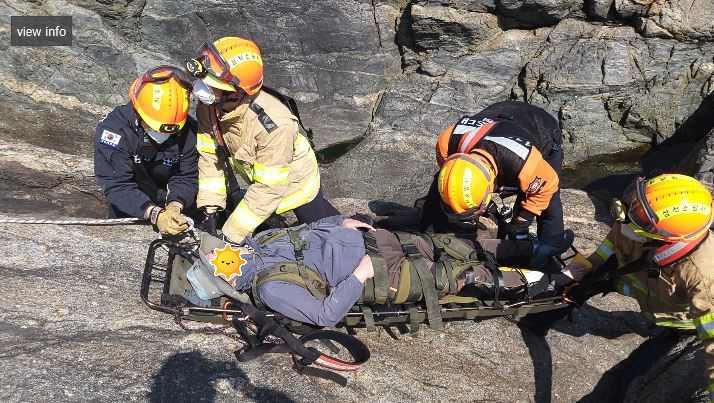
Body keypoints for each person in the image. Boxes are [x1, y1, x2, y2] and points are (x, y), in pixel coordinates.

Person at [190, 215, 578, 327]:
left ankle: (535, 251)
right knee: (461, 276)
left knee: (458, 245)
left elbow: (305, 231)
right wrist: (358, 276)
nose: (230, 250)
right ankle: (543, 281)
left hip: (379, 242)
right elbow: (326, 316)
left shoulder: (261, 242)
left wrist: (343, 222)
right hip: (378, 274)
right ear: (227, 278)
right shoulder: (271, 289)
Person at [565, 174, 714, 398]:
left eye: (635, 216)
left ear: (662, 238)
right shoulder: (632, 221)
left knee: (630, 381)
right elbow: (605, 250)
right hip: (643, 297)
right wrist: (578, 274)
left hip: (681, 324)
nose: (620, 219)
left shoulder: (701, 275)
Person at [186, 36, 339, 244]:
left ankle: (358, 233)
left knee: (329, 235)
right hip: (262, 180)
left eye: (212, 85)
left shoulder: (274, 124)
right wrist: (210, 208)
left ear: (237, 93)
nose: (201, 89)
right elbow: (210, 156)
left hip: (296, 182)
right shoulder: (210, 105)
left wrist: (230, 234)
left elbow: (269, 189)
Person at [420, 100, 564, 240]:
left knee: (548, 206)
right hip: (500, 111)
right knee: (445, 183)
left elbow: (547, 187)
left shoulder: (525, 164)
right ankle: (428, 228)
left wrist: (521, 222)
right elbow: (450, 173)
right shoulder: (447, 142)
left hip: (540, 126)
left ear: (491, 187)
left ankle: (551, 250)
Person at [93, 66, 198, 235]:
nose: (164, 134)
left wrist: (176, 205)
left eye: (171, 131)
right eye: (156, 127)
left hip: (172, 202)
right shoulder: (113, 130)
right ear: (139, 112)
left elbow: (186, 176)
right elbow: (117, 184)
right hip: (129, 204)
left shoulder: (188, 129)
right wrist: (154, 213)